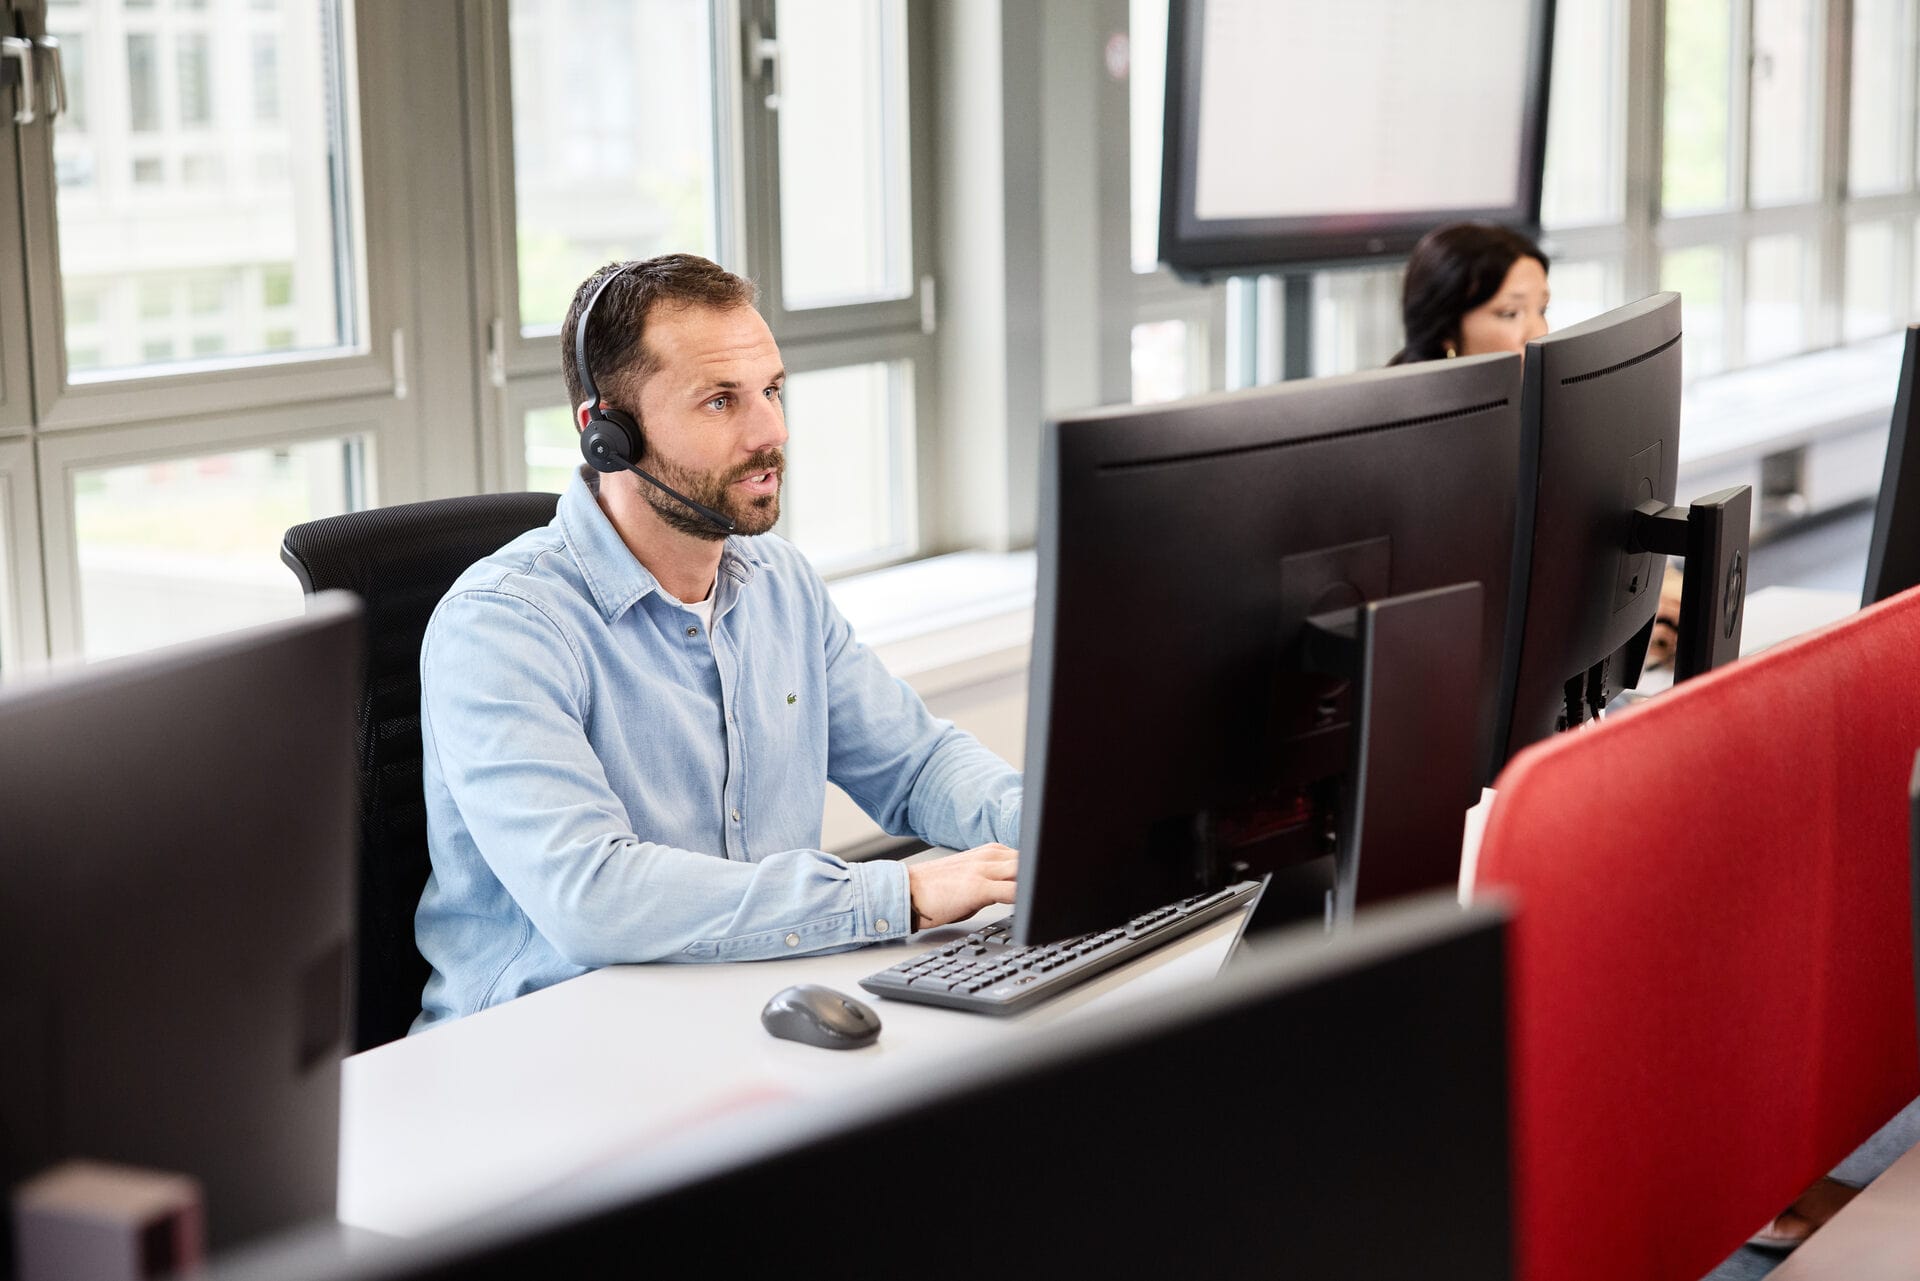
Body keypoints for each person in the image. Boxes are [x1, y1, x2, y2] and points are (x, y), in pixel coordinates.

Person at [410, 253, 1022, 1031]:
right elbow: (594, 895)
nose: (772, 431)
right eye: (720, 401)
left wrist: (1053, 829)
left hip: (739, 1011)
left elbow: (917, 763)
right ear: (607, 434)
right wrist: (898, 894)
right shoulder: (504, 626)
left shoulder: (779, 584)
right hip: (546, 1050)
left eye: (771, 390)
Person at [1388, 221, 1686, 668]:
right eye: (1510, 313)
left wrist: (1651, 586)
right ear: (1446, 330)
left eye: (1542, 308)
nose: (1537, 331)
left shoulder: (1532, 417)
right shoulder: (1414, 450)